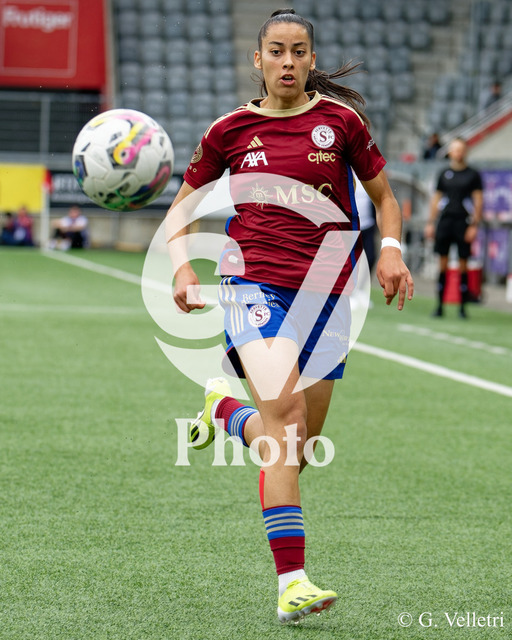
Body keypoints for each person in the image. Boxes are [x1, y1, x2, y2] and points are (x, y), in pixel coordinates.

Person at [166, 8, 413, 624]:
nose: (287, 61)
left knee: (296, 449)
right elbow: (181, 209)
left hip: (328, 294)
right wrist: (181, 267)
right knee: (288, 422)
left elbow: (385, 198)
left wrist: (390, 249)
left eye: (298, 51)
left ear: (311, 59)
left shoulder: (342, 123)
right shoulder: (229, 131)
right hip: (251, 286)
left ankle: (225, 413)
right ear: (258, 60)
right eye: (276, 51)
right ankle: (292, 583)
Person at [424, 138, 483, 318]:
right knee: (442, 263)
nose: (458, 153)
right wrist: (430, 222)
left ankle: (462, 308)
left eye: (460, 149)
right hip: (445, 221)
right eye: (455, 149)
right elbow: (436, 199)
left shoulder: (472, 175)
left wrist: (474, 225)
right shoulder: (444, 174)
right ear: (450, 152)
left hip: (463, 222)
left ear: (465, 151)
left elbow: (478, 201)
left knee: (464, 264)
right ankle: (439, 305)